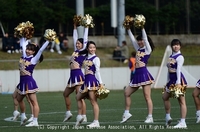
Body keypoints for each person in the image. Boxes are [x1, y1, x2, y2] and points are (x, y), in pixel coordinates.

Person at [16, 30, 52, 127]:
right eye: (27, 49)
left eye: (30, 50)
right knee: (18, 99)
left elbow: (40, 50)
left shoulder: (33, 59)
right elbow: (23, 45)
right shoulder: (24, 56)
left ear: (34, 52)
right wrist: (23, 35)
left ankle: (35, 121)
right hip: (22, 82)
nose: (27, 51)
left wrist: (48, 40)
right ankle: (23, 116)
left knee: (34, 102)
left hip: (29, 82)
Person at [120, 28, 155, 124]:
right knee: (126, 93)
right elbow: (132, 40)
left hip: (144, 73)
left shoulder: (148, 49)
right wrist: (128, 29)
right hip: (137, 74)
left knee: (147, 96)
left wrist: (143, 27)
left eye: (141, 40)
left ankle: (150, 117)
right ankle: (126, 113)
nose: (139, 42)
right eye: (138, 40)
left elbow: (146, 39)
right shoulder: (138, 49)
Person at [63, 24, 88, 122]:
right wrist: (74, 28)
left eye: (79, 43)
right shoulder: (76, 51)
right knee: (65, 94)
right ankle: (68, 112)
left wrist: (86, 27)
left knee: (80, 97)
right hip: (72, 76)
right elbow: (74, 38)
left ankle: (83, 116)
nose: (77, 44)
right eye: (77, 43)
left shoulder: (83, 51)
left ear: (83, 45)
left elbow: (85, 38)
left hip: (78, 75)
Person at [75, 41, 103, 128]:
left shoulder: (96, 58)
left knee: (93, 102)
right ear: (87, 49)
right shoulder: (86, 57)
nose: (92, 49)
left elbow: (97, 72)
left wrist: (101, 83)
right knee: (78, 97)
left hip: (92, 81)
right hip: (86, 81)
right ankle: (81, 116)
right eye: (90, 47)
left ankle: (96, 122)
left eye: (94, 47)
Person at [162, 39, 187, 128]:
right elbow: (169, 70)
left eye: (177, 45)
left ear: (180, 46)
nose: (176, 46)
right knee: (165, 97)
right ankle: (168, 117)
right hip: (171, 81)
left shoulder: (180, 57)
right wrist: (167, 81)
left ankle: (183, 122)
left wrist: (178, 83)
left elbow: (179, 70)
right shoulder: (171, 56)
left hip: (178, 81)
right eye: (174, 45)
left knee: (181, 102)